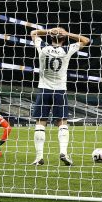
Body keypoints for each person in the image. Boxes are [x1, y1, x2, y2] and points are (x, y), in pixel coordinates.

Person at [29, 27, 90, 166]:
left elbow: (33, 33)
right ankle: (63, 152)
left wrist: (49, 31)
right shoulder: (67, 49)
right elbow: (86, 40)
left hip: (44, 89)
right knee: (62, 122)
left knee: (40, 122)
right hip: (60, 91)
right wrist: (67, 33)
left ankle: (39, 157)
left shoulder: (43, 47)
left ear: (51, 38)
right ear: (64, 39)